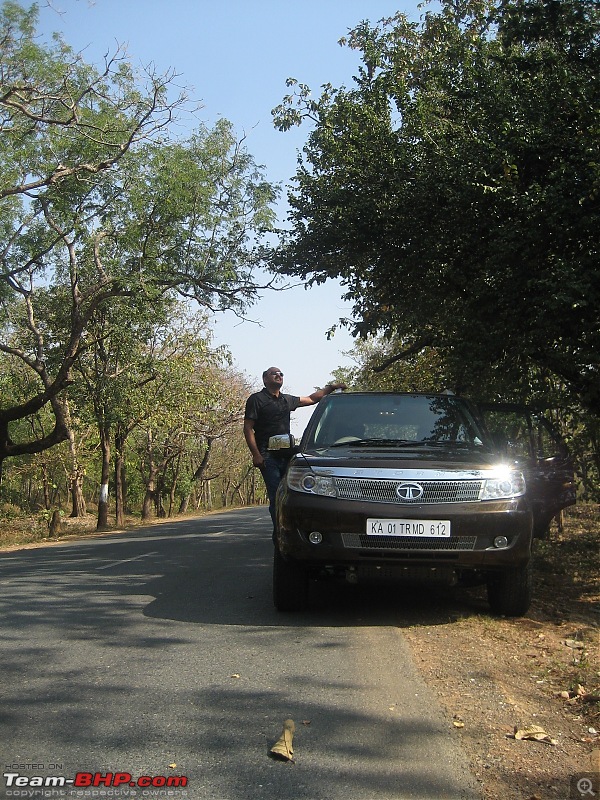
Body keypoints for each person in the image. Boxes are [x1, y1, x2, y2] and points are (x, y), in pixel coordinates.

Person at [244, 367, 346, 527]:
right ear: (265, 379)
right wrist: (256, 454)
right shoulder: (256, 399)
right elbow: (248, 428)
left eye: (281, 374)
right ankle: (278, 533)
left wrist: (331, 388)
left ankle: (291, 529)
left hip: (288, 456)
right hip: (267, 457)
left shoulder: (286, 400)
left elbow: (312, 398)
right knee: (277, 496)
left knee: (292, 494)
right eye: (274, 374)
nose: (279, 376)